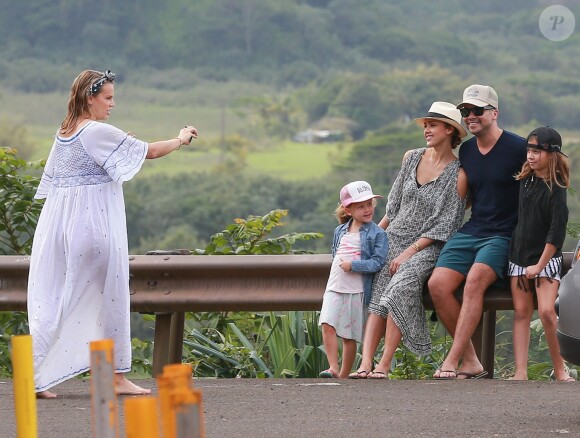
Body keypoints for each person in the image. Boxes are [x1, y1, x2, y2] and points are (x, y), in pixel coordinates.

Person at [27, 69, 198, 398]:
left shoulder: (66, 132)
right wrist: (180, 139)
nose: (112, 104)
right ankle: (114, 377)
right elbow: (149, 151)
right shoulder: (94, 131)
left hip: (59, 228)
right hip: (92, 226)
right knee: (109, 299)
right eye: (107, 97)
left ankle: (38, 373)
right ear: (89, 98)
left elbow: (56, 183)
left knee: (58, 299)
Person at [349, 102, 468, 379]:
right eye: (426, 124)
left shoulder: (459, 174)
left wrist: (408, 253)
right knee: (378, 291)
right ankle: (365, 362)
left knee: (400, 287)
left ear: (450, 129)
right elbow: (393, 207)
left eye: (433, 124)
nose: (426, 129)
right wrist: (372, 237)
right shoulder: (411, 157)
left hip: (427, 245)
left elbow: (446, 224)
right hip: (394, 236)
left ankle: (384, 364)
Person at [429, 84, 527, 379]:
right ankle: (471, 360)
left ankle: (452, 360)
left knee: (474, 282)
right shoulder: (467, 150)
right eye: (465, 111)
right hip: (473, 229)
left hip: (504, 233)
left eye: (477, 111)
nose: (470, 116)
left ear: (494, 113)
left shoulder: (519, 148)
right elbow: (466, 195)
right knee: (438, 284)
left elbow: (543, 189)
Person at [508, 127, 573, 381]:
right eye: (529, 150)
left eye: (537, 151)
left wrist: (539, 265)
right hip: (519, 257)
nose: (531, 156)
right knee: (521, 313)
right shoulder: (526, 180)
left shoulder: (557, 189)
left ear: (552, 154)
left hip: (545, 260)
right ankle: (520, 372)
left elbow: (556, 234)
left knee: (547, 311)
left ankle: (560, 369)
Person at [318, 181, 388, 378]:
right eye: (361, 206)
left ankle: (343, 376)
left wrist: (354, 265)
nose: (367, 210)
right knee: (327, 323)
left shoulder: (378, 234)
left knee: (349, 336)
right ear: (348, 210)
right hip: (335, 285)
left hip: (357, 290)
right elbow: (336, 254)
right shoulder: (340, 231)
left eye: (369, 205)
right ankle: (333, 367)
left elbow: (377, 262)